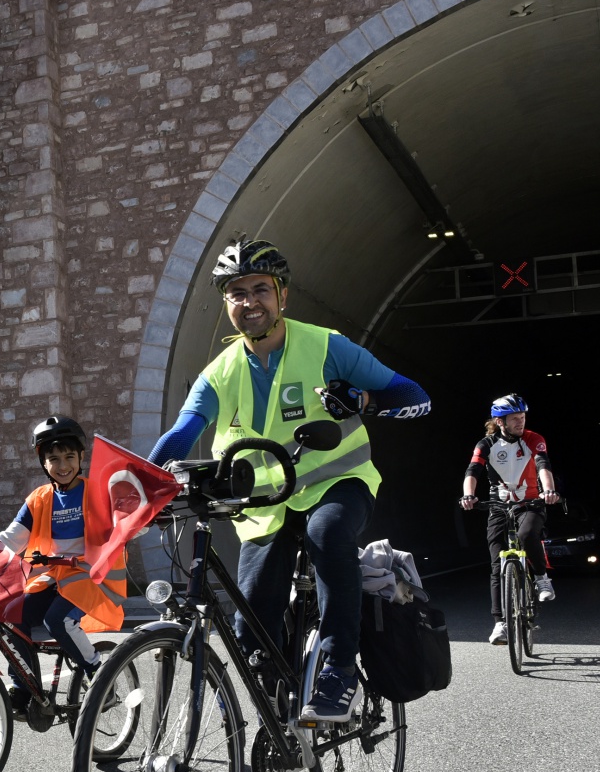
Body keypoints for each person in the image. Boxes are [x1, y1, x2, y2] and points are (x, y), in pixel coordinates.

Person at [148, 239, 430, 723]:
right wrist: (144, 487)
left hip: (338, 484)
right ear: (227, 304)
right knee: (250, 622)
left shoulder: (326, 346)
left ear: (283, 297)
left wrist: (363, 402)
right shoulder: (219, 372)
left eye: (261, 289)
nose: (249, 301)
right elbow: (182, 434)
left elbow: (415, 396)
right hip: (265, 506)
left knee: (327, 535)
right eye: (237, 292)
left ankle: (339, 668)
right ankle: (275, 723)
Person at [0, 416, 126, 712]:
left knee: (57, 620)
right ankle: (24, 689)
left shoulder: (97, 492)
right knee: (9, 615)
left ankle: (101, 678)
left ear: (82, 457)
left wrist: (136, 524)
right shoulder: (38, 499)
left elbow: (126, 522)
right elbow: (12, 538)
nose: (62, 466)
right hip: (51, 577)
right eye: (54, 459)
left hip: (90, 575)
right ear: (43, 463)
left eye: (69, 457)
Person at [459, 394, 560, 645]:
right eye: (514, 418)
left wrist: (548, 490)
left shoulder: (533, 440)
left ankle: (541, 579)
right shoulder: (486, 444)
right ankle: (500, 624)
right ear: (499, 421)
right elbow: (473, 471)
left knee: (527, 535)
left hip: (531, 502)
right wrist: (468, 495)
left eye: (523, 417)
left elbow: (543, 465)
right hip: (499, 505)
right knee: (496, 564)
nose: (520, 422)